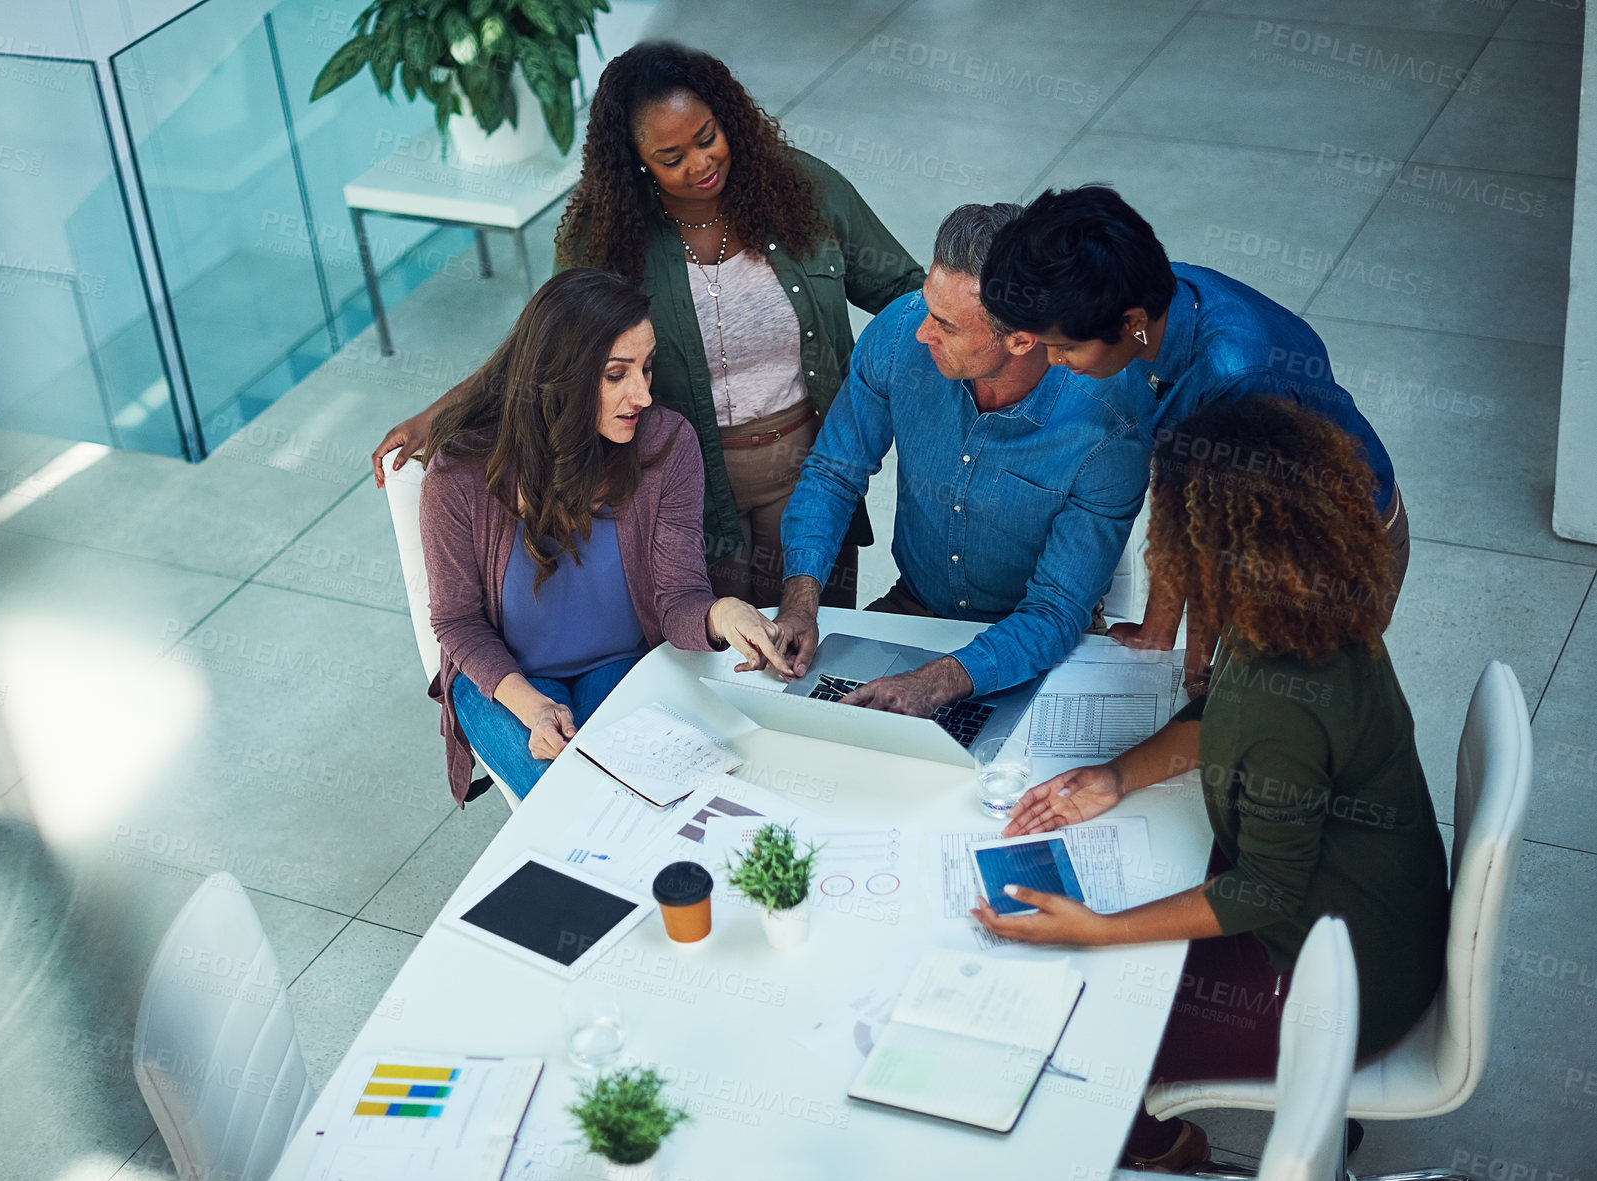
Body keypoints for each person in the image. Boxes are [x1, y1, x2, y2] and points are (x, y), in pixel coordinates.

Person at [971, 398, 1449, 1172]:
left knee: (1085, 1034)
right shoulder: (1311, 612)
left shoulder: (1280, 702)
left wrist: (1097, 928)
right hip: (1374, 923)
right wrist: (1117, 774)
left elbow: (1261, 892)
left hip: (1337, 983)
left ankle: (1161, 1145)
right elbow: (1216, 710)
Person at [374, 41, 926, 609]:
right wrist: (437, 415)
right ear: (636, 159)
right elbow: (549, 346)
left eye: (708, 137)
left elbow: (908, 297)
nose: (701, 163)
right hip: (688, 485)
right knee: (715, 656)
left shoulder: (804, 190)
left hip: (812, 473)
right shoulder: (606, 233)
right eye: (672, 157)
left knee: (820, 648)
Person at [979, 184, 1408, 690]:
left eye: (1066, 348)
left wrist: (1204, 662)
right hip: (1246, 522)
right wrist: (1160, 630)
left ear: (1131, 323)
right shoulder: (1150, 302)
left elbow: (1221, 536)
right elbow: (1180, 483)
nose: (1055, 363)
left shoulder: (1236, 377)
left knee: (1267, 711)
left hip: (1324, 555)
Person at [419, 268, 790, 803]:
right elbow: (456, 622)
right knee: (577, 800)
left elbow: (677, 598)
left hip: (621, 663)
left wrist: (721, 614)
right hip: (506, 680)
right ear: (559, 375)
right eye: (617, 374)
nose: (642, 394)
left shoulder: (667, 447)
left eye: (646, 368)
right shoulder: (459, 477)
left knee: (664, 789)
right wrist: (533, 707)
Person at [769, 203, 1150, 716]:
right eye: (928, 306)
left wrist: (938, 681)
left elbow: (1056, 610)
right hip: (912, 608)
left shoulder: (1111, 428)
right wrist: (799, 601)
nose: (923, 331)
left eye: (945, 325)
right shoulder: (900, 334)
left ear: (1020, 339)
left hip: (1034, 641)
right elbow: (834, 473)